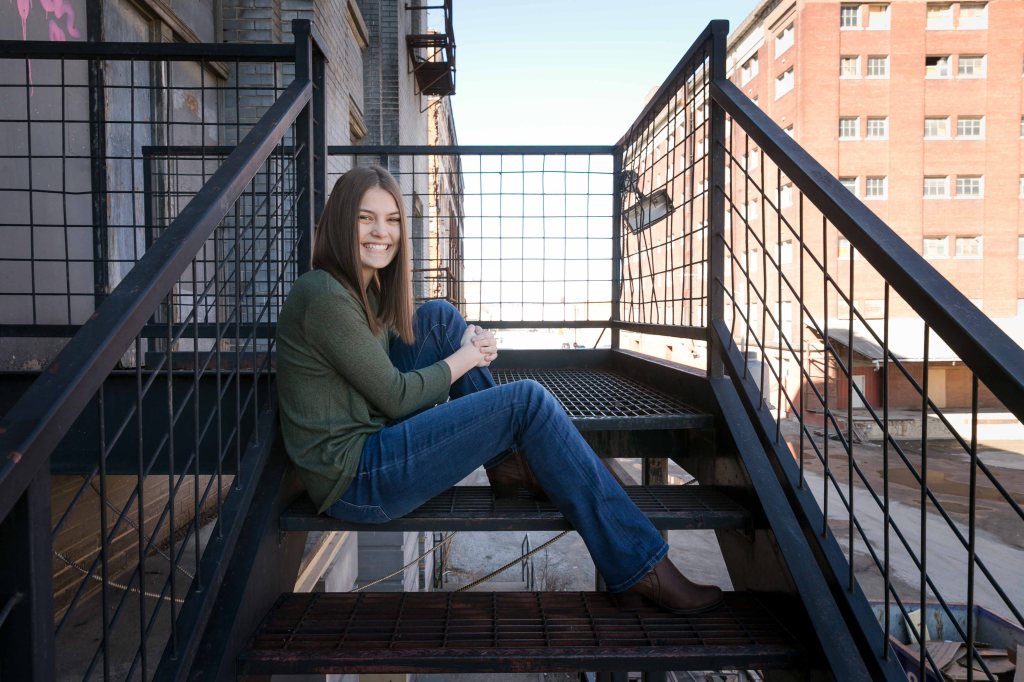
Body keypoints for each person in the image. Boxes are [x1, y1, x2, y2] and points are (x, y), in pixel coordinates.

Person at [275, 165, 723, 614]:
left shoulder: (362, 288)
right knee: (526, 401)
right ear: (339, 221)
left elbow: (389, 363)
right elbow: (394, 396)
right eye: (364, 218)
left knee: (440, 318)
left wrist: (463, 340)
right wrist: (466, 359)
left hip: (372, 440)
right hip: (357, 479)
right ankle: (641, 566)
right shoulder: (326, 296)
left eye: (392, 220)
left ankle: (510, 467)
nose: (381, 232)